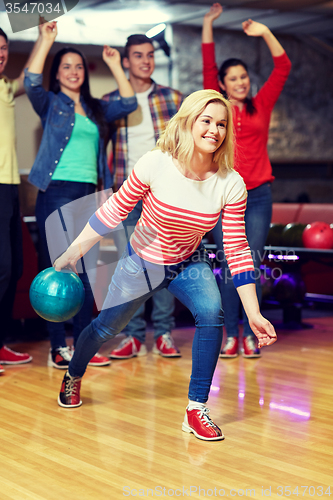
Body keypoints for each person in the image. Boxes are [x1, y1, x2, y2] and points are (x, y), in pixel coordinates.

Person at [54, 89, 277, 441]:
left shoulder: (231, 183)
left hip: (189, 262)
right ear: (189, 122)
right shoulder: (156, 163)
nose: (214, 130)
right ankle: (74, 373)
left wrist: (252, 313)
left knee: (212, 312)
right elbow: (114, 210)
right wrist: (72, 253)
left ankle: (196, 409)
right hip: (141, 263)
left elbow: (236, 248)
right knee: (104, 329)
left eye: (221, 124)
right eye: (206, 121)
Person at [24, 21, 137, 369]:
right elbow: (30, 81)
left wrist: (116, 64)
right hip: (56, 192)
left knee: (89, 275)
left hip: (93, 196)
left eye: (77, 67)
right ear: (56, 75)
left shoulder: (96, 109)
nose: (73, 72)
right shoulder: (50, 103)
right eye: (65, 67)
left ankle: (84, 346)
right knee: (57, 271)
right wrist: (46, 40)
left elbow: (129, 101)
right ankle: (59, 348)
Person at [202, 3, 291, 358]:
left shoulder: (262, 104)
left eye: (244, 77)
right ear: (222, 84)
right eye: (233, 78)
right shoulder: (217, 108)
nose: (240, 82)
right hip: (224, 196)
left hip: (258, 195)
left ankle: (250, 333)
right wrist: (208, 23)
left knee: (249, 261)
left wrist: (265, 32)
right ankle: (230, 334)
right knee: (227, 264)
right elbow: (208, 63)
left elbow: (283, 67)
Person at [103, 34, 183, 360]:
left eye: (150, 55)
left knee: (162, 264)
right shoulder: (111, 101)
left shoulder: (173, 98)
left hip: (163, 192)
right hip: (126, 191)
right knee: (130, 267)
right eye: (138, 55)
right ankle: (133, 336)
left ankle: (163, 333)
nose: (145, 61)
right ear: (126, 61)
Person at [0, 25, 44, 373]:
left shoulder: (4, 88)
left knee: (13, 269)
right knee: (1, 268)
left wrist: (44, 38)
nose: (1, 53)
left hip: (10, 187)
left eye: (3, 47)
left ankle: (2, 343)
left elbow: (27, 76)